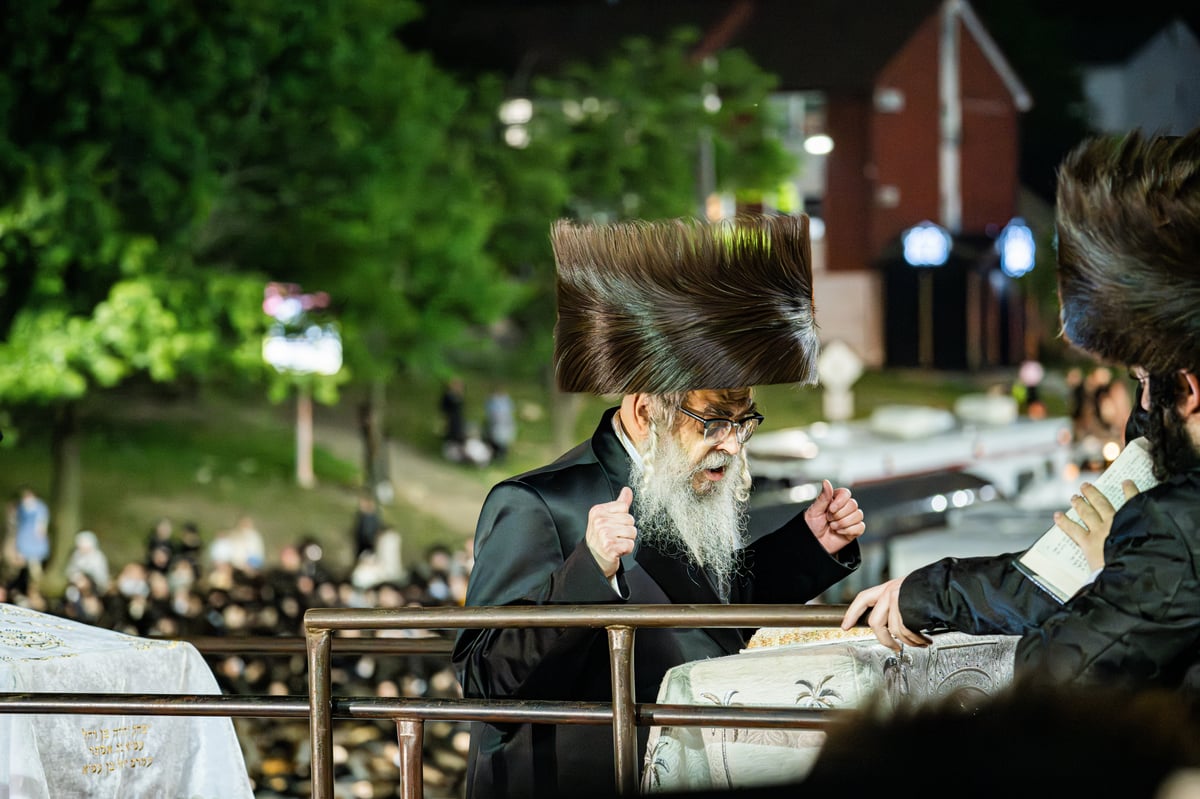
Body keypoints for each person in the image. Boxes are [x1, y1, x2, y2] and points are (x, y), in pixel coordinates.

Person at [453, 213, 866, 799]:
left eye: (742, 421)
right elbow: (483, 679)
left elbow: (705, 622)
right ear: (647, 411)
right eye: (713, 422)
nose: (732, 442)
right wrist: (586, 571)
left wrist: (807, 545)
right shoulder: (534, 505)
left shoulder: (681, 487)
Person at [841, 127, 1200, 700]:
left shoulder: (1177, 527)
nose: (1143, 408)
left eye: (1142, 381)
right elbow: (1055, 586)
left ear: (1187, 388)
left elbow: (1053, 679)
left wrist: (1106, 566)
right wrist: (928, 594)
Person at [12, 486, 50, 590]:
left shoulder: (40, 507)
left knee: (34, 565)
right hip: (24, 538)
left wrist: (40, 533)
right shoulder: (22, 507)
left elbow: (41, 523)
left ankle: (37, 586)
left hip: (33, 540)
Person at [483, 386, 517, 464]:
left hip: (503, 426)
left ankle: (501, 458)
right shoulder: (493, 401)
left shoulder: (505, 400)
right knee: (496, 443)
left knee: (503, 443)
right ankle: (496, 458)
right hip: (496, 425)